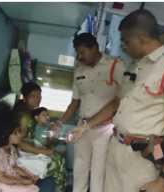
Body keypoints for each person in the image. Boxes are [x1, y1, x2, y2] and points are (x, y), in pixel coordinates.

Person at [71, 9, 164, 192]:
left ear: (141, 38)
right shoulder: (134, 67)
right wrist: (85, 126)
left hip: (141, 159)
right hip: (115, 149)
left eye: (126, 41)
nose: (124, 46)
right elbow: (115, 104)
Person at [56, 32, 125, 192]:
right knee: (79, 168)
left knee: (98, 172)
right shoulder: (79, 71)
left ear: (94, 48)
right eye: (77, 53)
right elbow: (74, 102)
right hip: (82, 126)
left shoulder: (115, 65)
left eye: (82, 52)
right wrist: (60, 122)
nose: (79, 57)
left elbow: (120, 100)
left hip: (105, 128)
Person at [0, 126, 40, 192]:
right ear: (7, 135)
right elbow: (1, 178)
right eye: (15, 133)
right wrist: (22, 181)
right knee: (30, 189)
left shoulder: (12, 149)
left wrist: (30, 175)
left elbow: (15, 167)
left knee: (32, 185)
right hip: (0, 184)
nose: (20, 135)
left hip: (9, 177)